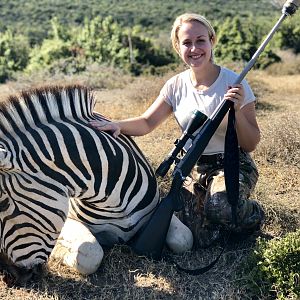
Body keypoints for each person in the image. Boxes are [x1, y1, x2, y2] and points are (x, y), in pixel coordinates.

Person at [90, 13, 265, 248]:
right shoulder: (175, 85)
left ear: (212, 40)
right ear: (177, 46)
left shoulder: (235, 82)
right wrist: (117, 125)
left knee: (220, 206)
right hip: (193, 166)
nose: (194, 48)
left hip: (232, 163)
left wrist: (237, 112)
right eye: (187, 43)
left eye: (201, 40)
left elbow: (251, 142)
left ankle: (253, 214)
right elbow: (146, 122)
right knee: (199, 239)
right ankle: (219, 219)